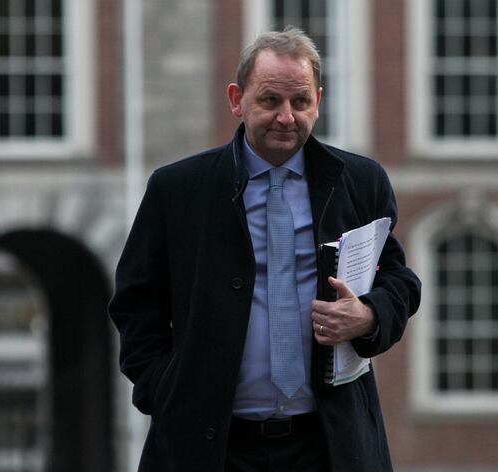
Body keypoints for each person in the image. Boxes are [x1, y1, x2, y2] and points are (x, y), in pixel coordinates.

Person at [109, 27, 421, 472]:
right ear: (237, 99)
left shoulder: (361, 181)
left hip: (329, 445)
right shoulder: (177, 190)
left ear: (318, 99)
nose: (286, 117)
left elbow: (399, 281)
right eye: (270, 100)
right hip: (213, 446)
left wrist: (369, 315)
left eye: (300, 102)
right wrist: (166, 391)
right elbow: (135, 303)